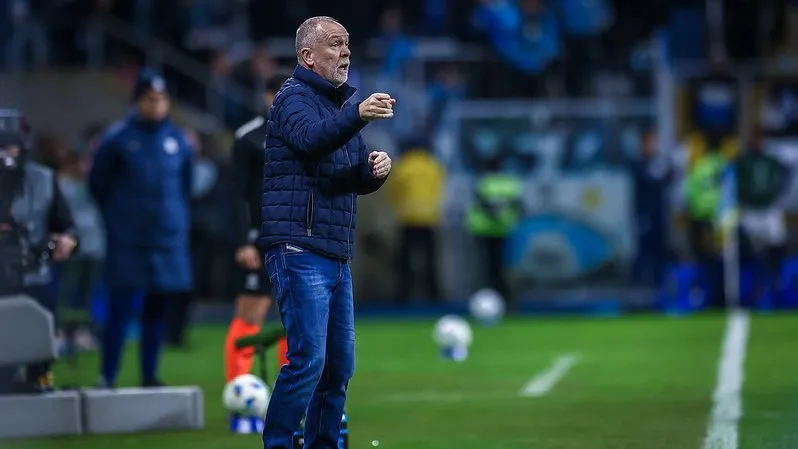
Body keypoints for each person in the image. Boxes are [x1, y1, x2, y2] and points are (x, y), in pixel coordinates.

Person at [260, 16, 395, 449]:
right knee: (308, 361)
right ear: (307, 56)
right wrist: (357, 115)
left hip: (334, 250)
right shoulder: (292, 98)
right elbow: (312, 141)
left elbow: (341, 175)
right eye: (336, 44)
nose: (346, 53)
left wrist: (373, 172)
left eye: (347, 45)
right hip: (298, 246)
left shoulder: (338, 107)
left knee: (338, 367)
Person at [89, 69, 194, 388]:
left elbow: (185, 186)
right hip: (129, 242)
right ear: (138, 101)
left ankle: (149, 375)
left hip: (165, 242)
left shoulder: (177, 139)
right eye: (150, 98)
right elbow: (98, 185)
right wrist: (120, 221)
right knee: (119, 310)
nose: (157, 104)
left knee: (156, 311)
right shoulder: (117, 138)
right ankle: (108, 375)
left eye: (162, 98)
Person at [0, 109, 78, 391]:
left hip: (36, 275)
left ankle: (39, 377)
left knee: (39, 345)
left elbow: (69, 228)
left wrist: (67, 241)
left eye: (7, 146)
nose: (3, 155)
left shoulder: (44, 180)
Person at [224, 73, 287, 384]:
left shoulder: (310, 133)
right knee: (252, 311)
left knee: (299, 319)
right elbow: (235, 195)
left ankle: (294, 395)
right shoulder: (248, 137)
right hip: (259, 238)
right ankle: (239, 391)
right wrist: (242, 240)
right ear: (268, 96)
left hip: (297, 237)